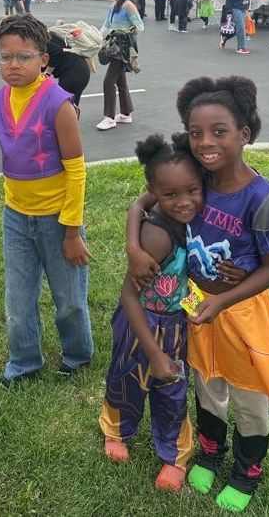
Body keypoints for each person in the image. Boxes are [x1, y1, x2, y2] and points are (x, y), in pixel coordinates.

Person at [127, 75, 269, 513]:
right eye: (196, 132)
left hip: (240, 312)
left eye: (219, 132)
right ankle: (209, 453)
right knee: (206, 384)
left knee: (248, 396)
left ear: (244, 134)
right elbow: (141, 205)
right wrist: (133, 244)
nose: (205, 142)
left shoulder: (261, 196)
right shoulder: (196, 176)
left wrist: (225, 297)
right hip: (197, 304)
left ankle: (246, 471)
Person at [0, 14, 93, 385]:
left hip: (57, 219)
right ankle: (24, 361)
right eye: (5, 57)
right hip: (16, 216)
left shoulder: (59, 105)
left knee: (69, 300)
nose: (14, 65)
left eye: (24, 57)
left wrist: (72, 230)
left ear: (44, 59)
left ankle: (77, 354)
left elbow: (76, 171)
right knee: (18, 300)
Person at [99, 133, 203, 490]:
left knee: (172, 389)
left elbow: (137, 202)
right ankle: (116, 431)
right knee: (127, 380)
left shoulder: (190, 205)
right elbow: (129, 296)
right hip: (141, 322)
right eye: (171, 194)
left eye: (192, 190)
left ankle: (174, 455)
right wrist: (155, 353)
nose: (185, 201)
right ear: (155, 191)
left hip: (176, 321)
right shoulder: (156, 237)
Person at [97, 0, 144, 131]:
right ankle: (125, 114)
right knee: (120, 82)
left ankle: (109, 118)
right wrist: (94, 39)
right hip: (113, 49)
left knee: (108, 82)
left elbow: (139, 26)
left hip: (122, 50)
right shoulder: (113, 5)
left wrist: (122, 33)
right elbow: (105, 27)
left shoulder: (128, 5)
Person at [45, 31, 91, 106]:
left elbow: (57, 51)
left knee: (62, 106)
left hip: (73, 73)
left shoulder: (40, 41)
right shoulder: (49, 36)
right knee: (71, 107)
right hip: (80, 69)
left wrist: (47, 74)